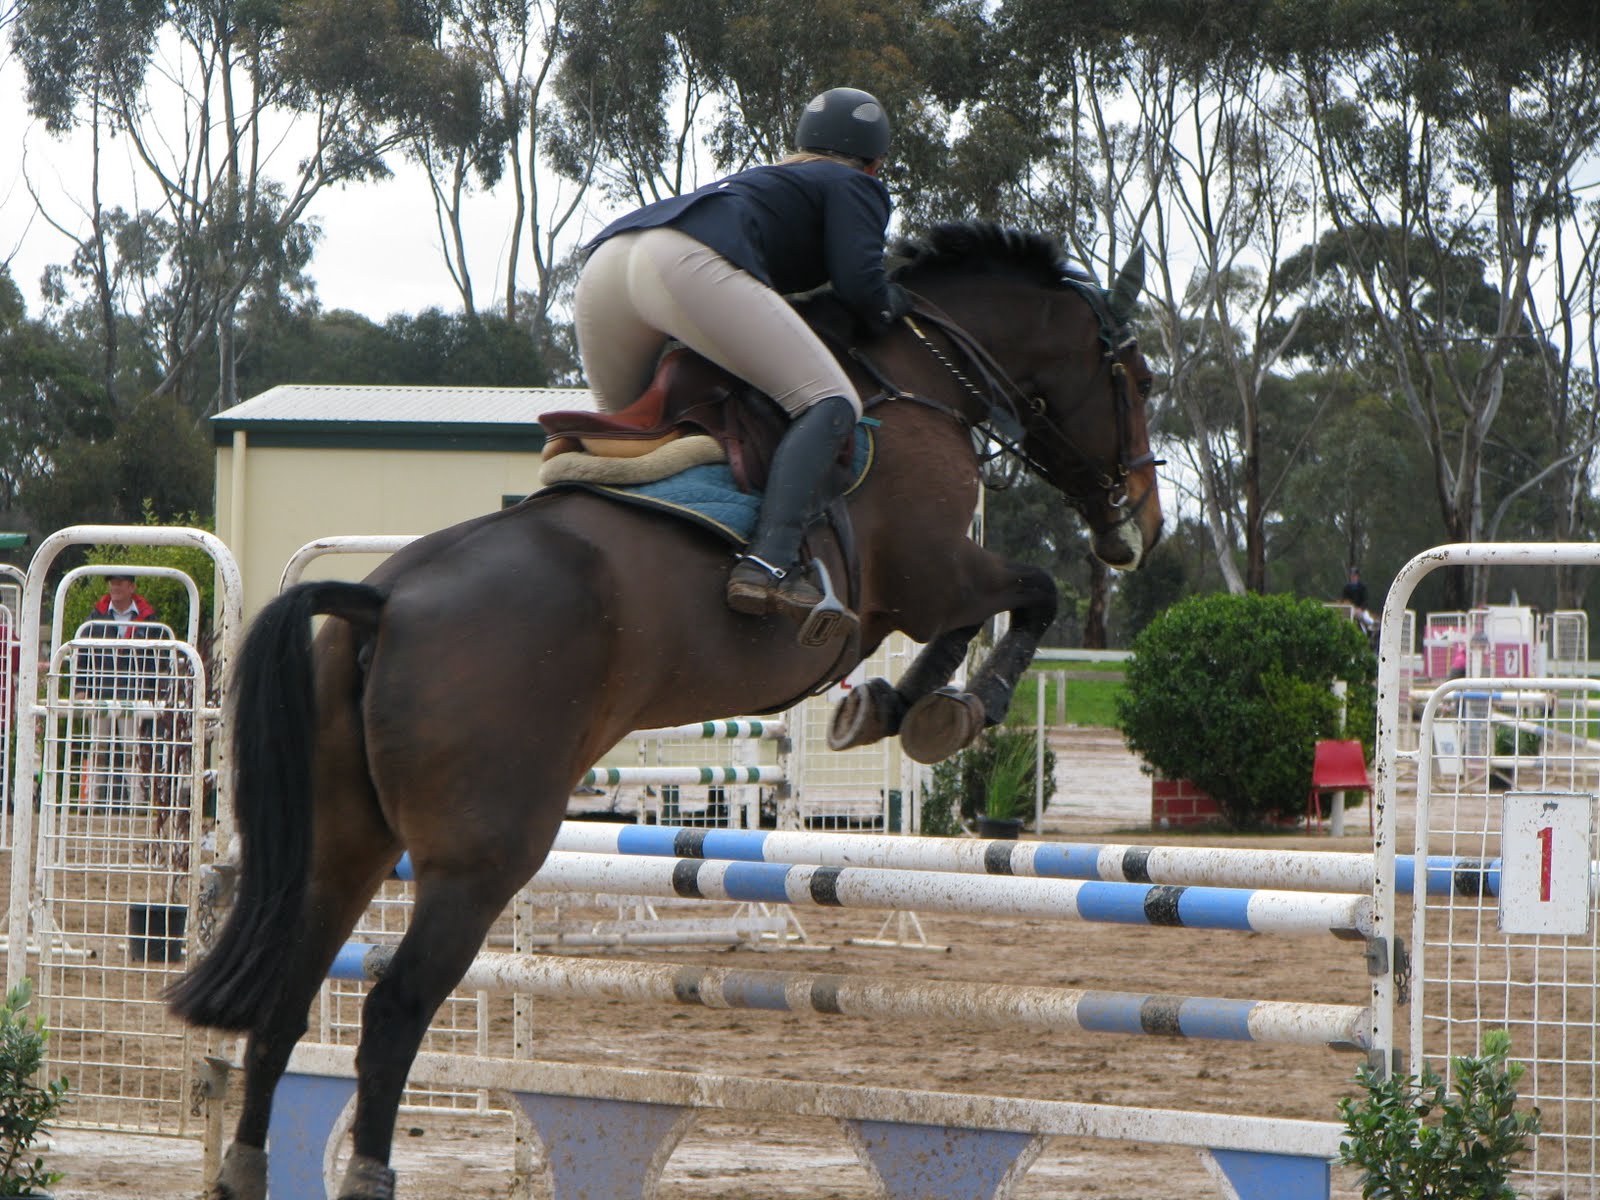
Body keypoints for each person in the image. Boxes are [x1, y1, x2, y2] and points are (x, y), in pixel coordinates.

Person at [573, 86, 911, 641]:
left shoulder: (768, 178)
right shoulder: (855, 183)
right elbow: (860, 288)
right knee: (831, 403)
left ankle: (608, 561)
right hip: (680, 262)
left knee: (632, 441)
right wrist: (895, 302)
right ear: (875, 162)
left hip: (608, 264)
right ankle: (768, 563)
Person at [75, 573, 167, 808]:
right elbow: (83, 655)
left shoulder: (147, 620)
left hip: (133, 692)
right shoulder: (96, 618)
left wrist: (154, 690)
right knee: (97, 745)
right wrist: (81, 688)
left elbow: (157, 660)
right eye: (112, 582)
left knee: (131, 747)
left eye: (120, 582)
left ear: (131, 587)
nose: (114, 586)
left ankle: (137, 800)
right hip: (101, 691)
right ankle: (91, 800)